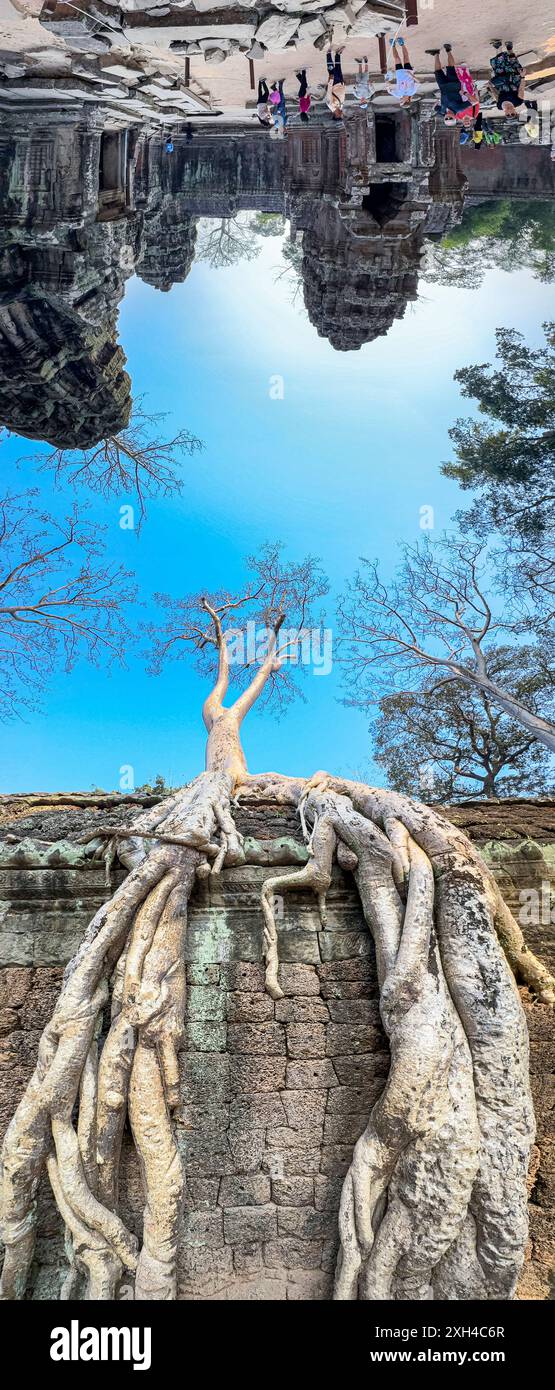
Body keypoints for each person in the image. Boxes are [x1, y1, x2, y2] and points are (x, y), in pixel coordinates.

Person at [427, 43, 480, 127]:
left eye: (446, 119)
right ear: (454, 117)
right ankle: (448, 50)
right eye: (450, 119)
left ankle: (436, 54)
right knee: (450, 67)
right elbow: (475, 101)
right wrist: (465, 94)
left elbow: (434, 108)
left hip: (443, 87)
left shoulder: (442, 111)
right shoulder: (459, 109)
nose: (448, 118)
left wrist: (437, 101)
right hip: (454, 85)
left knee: (437, 71)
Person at [488, 42, 538, 117]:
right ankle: (509, 48)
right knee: (513, 62)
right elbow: (521, 89)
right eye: (513, 114)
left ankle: (498, 47)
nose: (510, 112)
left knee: (500, 66)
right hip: (514, 80)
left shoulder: (499, 107)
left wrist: (491, 87)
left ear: (505, 114)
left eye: (508, 115)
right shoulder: (518, 102)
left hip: (501, 82)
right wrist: (522, 77)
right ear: (516, 112)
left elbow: (496, 96)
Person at [386, 36, 419, 106]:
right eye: (401, 102)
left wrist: (388, 85)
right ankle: (402, 44)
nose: (400, 101)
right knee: (406, 57)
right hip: (408, 72)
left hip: (399, 73)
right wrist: (412, 76)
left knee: (397, 58)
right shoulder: (412, 92)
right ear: (407, 100)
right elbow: (418, 83)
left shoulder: (398, 95)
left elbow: (389, 91)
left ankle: (393, 45)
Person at [325, 46, 346, 120]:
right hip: (340, 83)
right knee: (338, 68)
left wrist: (330, 81)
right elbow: (342, 96)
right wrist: (343, 85)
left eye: (341, 116)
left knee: (331, 69)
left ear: (336, 115)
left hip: (334, 84)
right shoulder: (340, 107)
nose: (342, 114)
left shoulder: (330, 105)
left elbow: (329, 92)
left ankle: (328, 54)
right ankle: (338, 54)